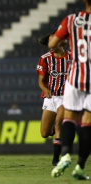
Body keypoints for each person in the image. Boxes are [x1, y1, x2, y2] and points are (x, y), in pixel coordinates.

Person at [49, 0, 91, 180]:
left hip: (74, 76)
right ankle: (80, 165)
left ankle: (65, 153)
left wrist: (65, 39)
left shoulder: (71, 20)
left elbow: (52, 44)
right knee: (87, 123)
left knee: (69, 118)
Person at [36, 30, 71, 166]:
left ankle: (56, 159)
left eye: (53, 40)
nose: (50, 43)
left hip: (65, 97)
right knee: (45, 133)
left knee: (59, 124)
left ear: (60, 41)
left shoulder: (71, 57)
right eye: (49, 41)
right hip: (50, 98)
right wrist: (46, 90)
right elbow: (40, 81)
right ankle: (53, 132)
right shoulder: (45, 58)